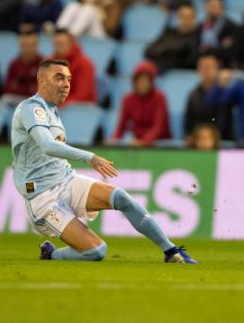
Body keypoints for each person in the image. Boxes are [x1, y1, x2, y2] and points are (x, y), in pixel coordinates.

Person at [10, 59, 196, 264]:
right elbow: (47, 145)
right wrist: (90, 157)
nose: (66, 84)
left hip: (66, 180)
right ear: (42, 81)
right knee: (96, 251)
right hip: (42, 196)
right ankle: (51, 254)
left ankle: (170, 251)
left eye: (69, 79)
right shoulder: (30, 108)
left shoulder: (52, 110)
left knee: (121, 198)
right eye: (59, 78)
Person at [111, 61, 171, 146]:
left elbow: (158, 126)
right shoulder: (128, 99)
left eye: (146, 80)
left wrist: (145, 141)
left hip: (159, 143)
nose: (143, 84)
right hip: (138, 143)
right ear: (134, 82)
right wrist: (114, 139)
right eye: (140, 80)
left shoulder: (159, 98)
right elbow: (121, 126)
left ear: (151, 82)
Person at [185, 52, 232, 142]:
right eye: (203, 67)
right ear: (198, 70)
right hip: (198, 142)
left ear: (217, 69)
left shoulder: (226, 92)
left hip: (221, 141)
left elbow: (225, 122)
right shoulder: (193, 95)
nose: (206, 71)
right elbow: (188, 124)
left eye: (209, 67)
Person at [145, 4, 200, 73]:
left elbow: (191, 59)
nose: (185, 20)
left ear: (194, 19)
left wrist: (166, 50)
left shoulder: (198, 35)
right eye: (182, 16)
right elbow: (148, 51)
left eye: (188, 17)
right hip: (163, 71)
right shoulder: (169, 33)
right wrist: (174, 51)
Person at [51, 29, 96, 105]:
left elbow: (82, 95)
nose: (59, 48)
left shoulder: (84, 64)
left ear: (71, 43)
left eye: (62, 44)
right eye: (57, 44)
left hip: (78, 110)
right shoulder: (50, 63)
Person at [2, 30, 43, 104]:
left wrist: (19, 87)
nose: (28, 49)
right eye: (25, 46)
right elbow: (7, 89)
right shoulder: (13, 64)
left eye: (31, 46)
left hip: (36, 102)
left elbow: (42, 91)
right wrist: (29, 88)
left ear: (36, 46)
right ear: (20, 46)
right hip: (16, 102)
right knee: (5, 99)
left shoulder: (44, 65)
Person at [198, 0, 237, 66]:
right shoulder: (201, 26)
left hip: (223, 64)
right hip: (203, 63)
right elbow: (197, 49)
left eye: (215, 6)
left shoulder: (231, 27)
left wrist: (206, 49)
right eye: (210, 6)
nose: (212, 9)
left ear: (222, 9)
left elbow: (229, 51)